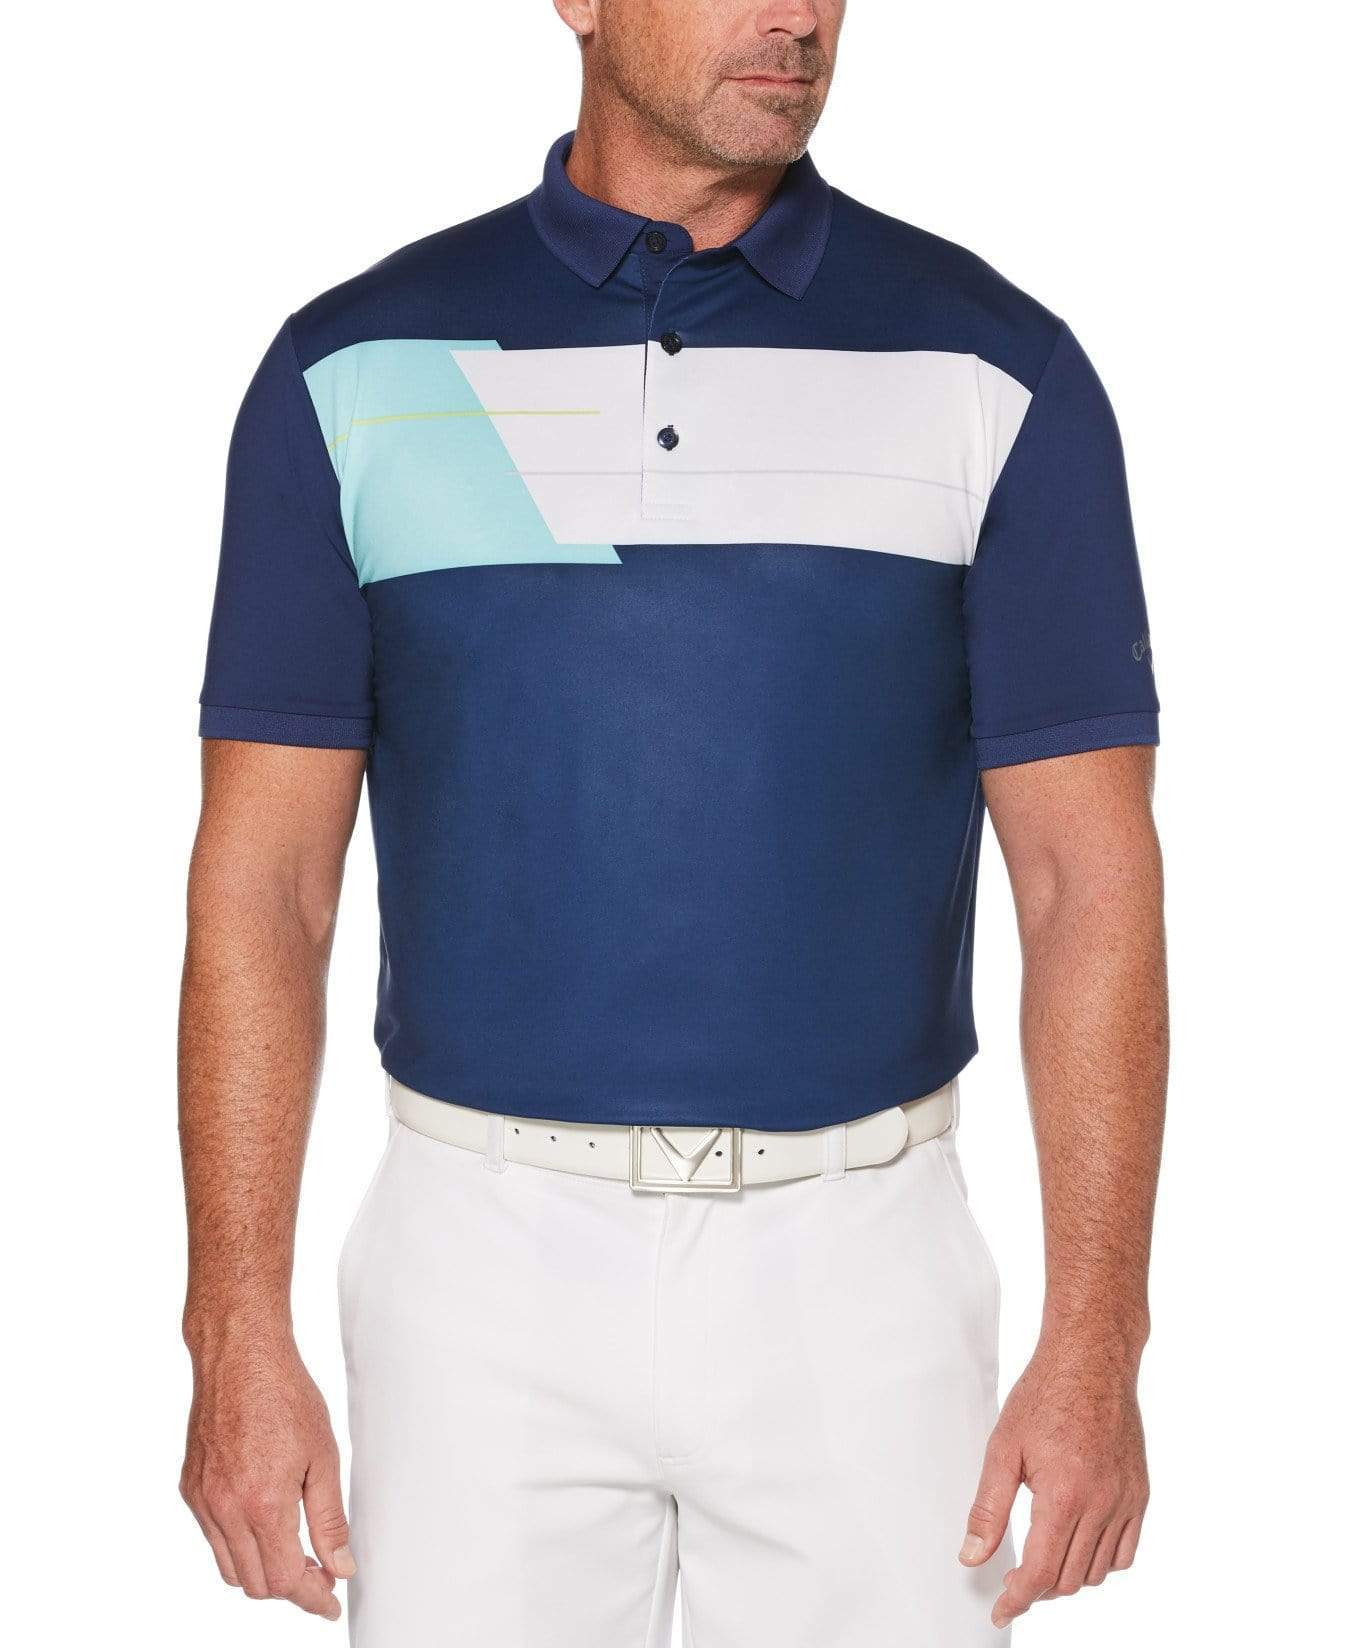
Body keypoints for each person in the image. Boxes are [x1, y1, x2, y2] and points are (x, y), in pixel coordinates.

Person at [178, 2, 1166, 1642]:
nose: (795, 16)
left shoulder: (992, 366)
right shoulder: (355, 367)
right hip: (473, 1266)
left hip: (862, 1269)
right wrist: (232, 1326)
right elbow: (264, 886)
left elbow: (1085, 883)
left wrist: (1095, 1340)